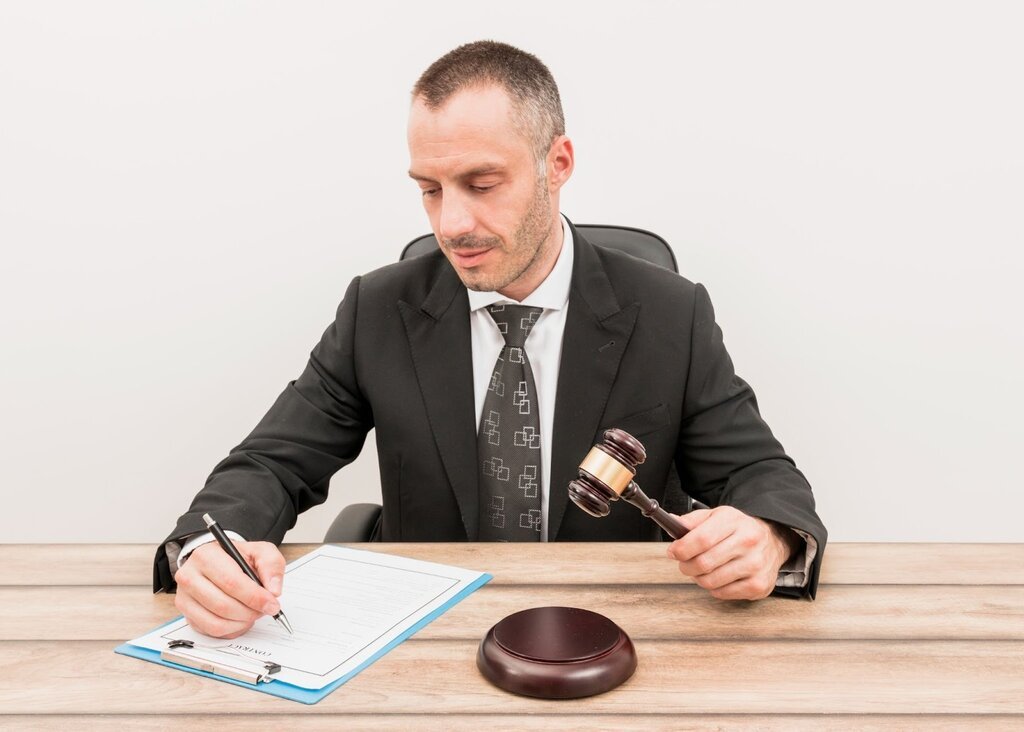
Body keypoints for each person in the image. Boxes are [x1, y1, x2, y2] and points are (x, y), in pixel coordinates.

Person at [155, 41, 827, 639]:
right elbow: (272, 463)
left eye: (481, 184)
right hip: (427, 630)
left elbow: (760, 475)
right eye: (429, 190)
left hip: (616, 625)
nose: (451, 224)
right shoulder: (378, 310)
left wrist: (768, 536)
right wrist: (208, 550)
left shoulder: (669, 313)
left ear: (557, 163)